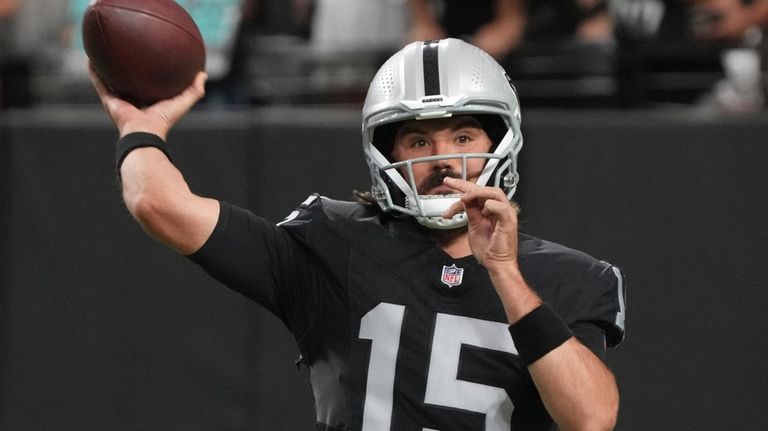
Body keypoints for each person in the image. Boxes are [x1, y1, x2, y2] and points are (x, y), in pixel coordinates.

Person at [90, 38, 626, 430]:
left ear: (499, 145)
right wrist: (142, 127)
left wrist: (506, 275)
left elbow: (592, 417)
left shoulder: (567, 277)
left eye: (462, 135)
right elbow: (156, 204)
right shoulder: (333, 245)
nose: (442, 159)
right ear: (386, 155)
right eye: (417, 141)